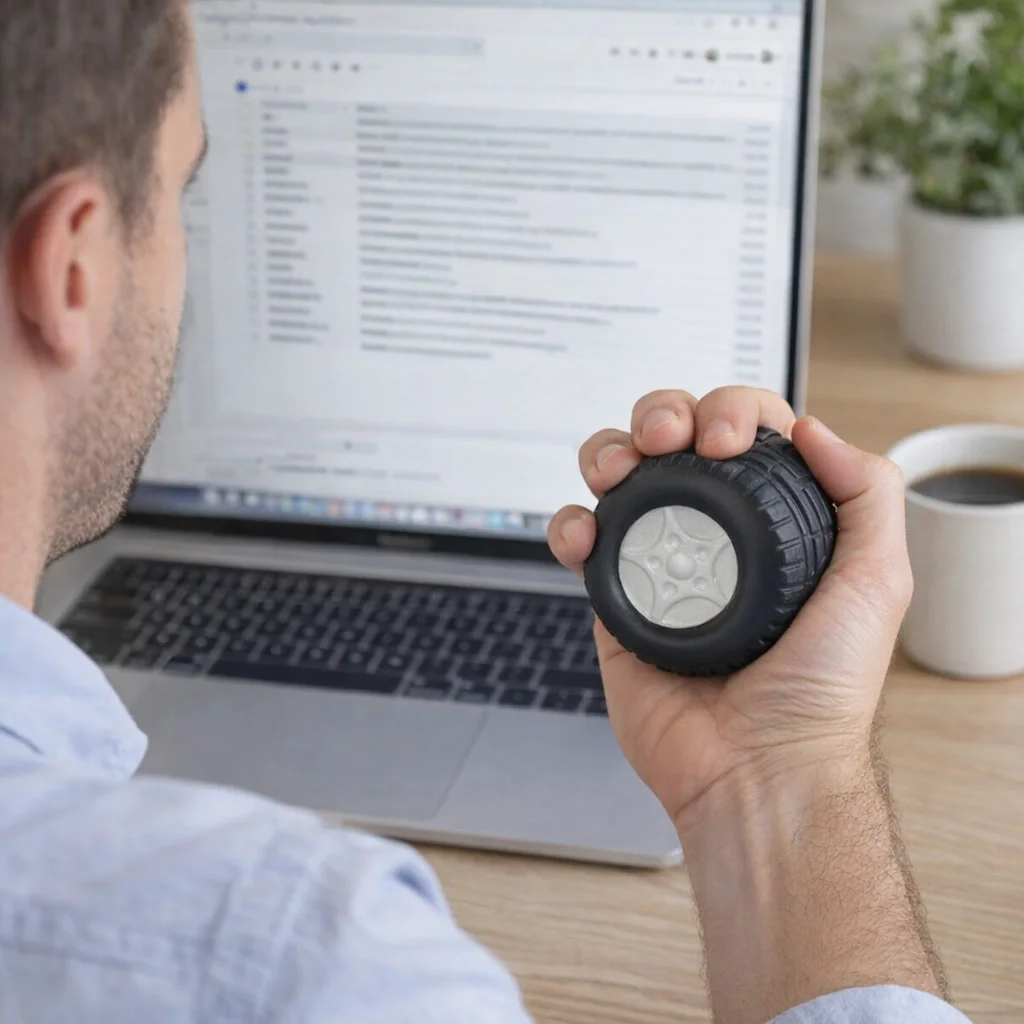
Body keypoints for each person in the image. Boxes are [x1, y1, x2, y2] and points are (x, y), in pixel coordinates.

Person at [0, 3, 976, 1023]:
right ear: (73, 264)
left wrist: (763, 762)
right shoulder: (308, 963)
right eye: (182, 193)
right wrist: (796, 786)